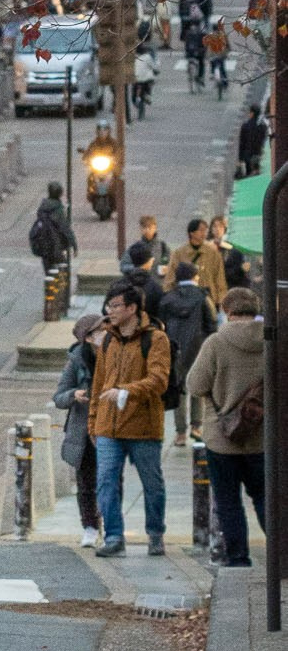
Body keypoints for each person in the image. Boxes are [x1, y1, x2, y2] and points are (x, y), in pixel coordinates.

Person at [88, 281, 172, 557]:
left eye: (115, 306)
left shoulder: (155, 339)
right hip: (108, 427)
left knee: (152, 483)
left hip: (143, 425)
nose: (109, 311)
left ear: (132, 308)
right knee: (106, 482)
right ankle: (113, 536)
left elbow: (159, 381)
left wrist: (126, 391)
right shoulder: (108, 340)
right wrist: (93, 422)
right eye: (108, 306)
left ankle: (156, 533)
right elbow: (99, 385)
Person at [186, 287, 266, 566]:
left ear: (226, 311)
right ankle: (281, 552)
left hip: (222, 438)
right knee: (265, 497)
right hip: (263, 438)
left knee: (229, 502)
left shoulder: (216, 343)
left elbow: (195, 385)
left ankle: (238, 558)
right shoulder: (272, 339)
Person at [54, 313, 105, 547]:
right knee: (86, 483)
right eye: (98, 332)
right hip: (83, 432)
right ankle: (90, 526)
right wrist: (74, 395)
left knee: (109, 481)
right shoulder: (76, 361)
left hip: (108, 428)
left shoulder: (115, 355)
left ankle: (110, 526)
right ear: (87, 337)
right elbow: (59, 397)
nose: (103, 334)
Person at [158, 260, 215, 445]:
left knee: (179, 389)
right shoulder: (202, 296)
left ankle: (180, 433)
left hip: (174, 349)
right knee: (198, 387)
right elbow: (211, 323)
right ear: (194, 276)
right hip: (199, 348)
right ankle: (197, 427)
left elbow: (160, 325)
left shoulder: (168, 298)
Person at [163, 217, 226, 306]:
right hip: (185, 302)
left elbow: (220, 280)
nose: (204, 233)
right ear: (192, 233)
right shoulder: (179, 253)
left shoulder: (213, 254)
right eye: (201, 230)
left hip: (208, 301)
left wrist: (220, 300)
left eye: (205, 230)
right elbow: (170, 279)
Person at [29, 181, 76, 275]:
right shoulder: (57, 210)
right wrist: (74, 244)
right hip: (55, 246)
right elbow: (65, 228)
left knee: (48, 272)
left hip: (43, 245)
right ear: (60, 194)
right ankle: (60, 287)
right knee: (63, 269)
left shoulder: (42, 208)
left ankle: (49, 288)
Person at [119, 241, 165, 324]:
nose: (153, 259)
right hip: (147, 331)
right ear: (149, 261)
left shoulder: (119, 285)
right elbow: (161, 316)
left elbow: (106, 309)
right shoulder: (155, 288)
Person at [207, 213, 251, 293]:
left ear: (225, 229)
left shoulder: (233, 248)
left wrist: (241, 269)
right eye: (215, 226)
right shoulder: (206, 247)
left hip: (231, 286)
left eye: (220, 226)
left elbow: (236, 271)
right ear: (211, 229)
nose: (217, 229)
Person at [238, 104, 268, 178]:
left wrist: (240, 159)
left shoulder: (245, 126)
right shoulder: (262, 126)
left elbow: (242, 143)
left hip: (247, 155)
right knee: (256, 174)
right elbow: (263, 140)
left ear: (252, 113)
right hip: (257, 154)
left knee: (248, 174)